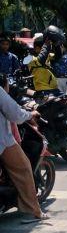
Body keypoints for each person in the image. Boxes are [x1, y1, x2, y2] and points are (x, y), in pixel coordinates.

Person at [0, 82, 47, 221]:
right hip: (3, 141)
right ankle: (32, 211)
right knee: (24, 169)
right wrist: (29, 114)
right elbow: (15, 113)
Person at [28, 26, 63, 96]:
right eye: (42, 47)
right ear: (36, 48)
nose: (45, 49)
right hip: (42, 90)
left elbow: (58, 57)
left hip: (54, 88)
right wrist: (46, 45)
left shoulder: (47, 56)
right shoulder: (30, 59)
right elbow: (40, 60)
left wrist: (56, 44)